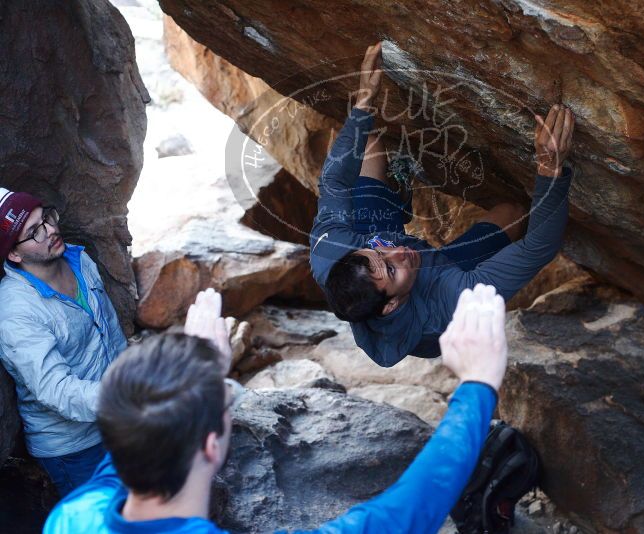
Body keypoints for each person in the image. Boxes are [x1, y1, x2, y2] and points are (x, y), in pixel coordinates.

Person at [44, 283, 507, 534]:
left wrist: (201, 371)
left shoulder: (70, 518)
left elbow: (122, 446)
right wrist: (478, 382)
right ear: (211, 446)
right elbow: (407, 510)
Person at [311, 43, 575, 367]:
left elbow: (335, 182)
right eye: (391, 269)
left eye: (378, 253)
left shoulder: (330, 251)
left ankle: (396, 202)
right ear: (391, 305)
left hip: (375, 235)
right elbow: (537, 249)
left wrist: (364, 101)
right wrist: (550, 170)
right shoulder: (449, 302)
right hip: (437, 278)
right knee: (513, 213)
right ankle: (396, 207)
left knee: (368, 146)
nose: (397, 252)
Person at [0, 188, 128, 496]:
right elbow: (55, 390)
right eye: (34, 231)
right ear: (14, 254)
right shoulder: (16, 311)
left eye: (46, 217)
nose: (52, 230)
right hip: (73, 449)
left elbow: (112, 332)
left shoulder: (78, 259)